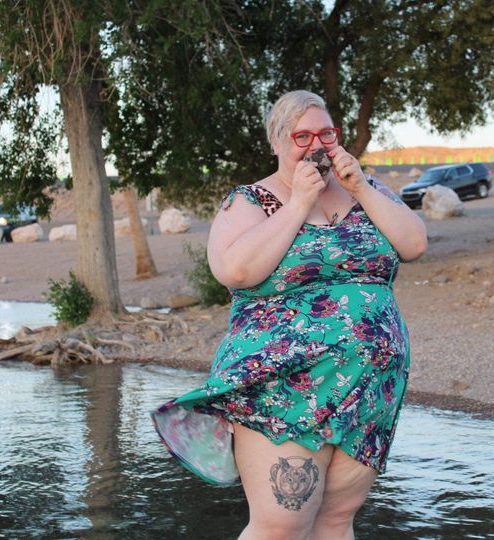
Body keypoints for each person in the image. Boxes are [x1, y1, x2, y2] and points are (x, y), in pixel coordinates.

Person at [152, 90, 427, 539]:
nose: (316, 144)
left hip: (371, 388)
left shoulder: (368, 189)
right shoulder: (251, 200)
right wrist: (299, 200)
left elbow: (414, 244)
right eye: (302, 136)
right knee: (280, 524)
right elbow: (235, 270)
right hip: (285, 385)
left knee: (336, 521)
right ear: (277, 141)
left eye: (326, 133)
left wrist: (358, 185)